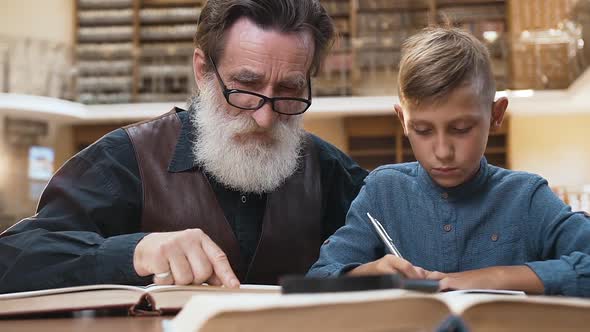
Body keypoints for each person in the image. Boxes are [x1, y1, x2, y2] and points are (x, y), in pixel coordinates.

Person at [0, 0, 368, 293]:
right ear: (203, 70)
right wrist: (136, 253)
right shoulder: (124, 160)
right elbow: (11, 259)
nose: (265, 117)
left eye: (289, 90)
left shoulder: (329, 170)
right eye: (245, 86)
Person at [307, 27, 590, 297]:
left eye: (461, 129)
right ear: (402, 121)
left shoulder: (527, 197)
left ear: (496, 115)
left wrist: (493, 278)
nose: (442, 151)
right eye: (423, 130)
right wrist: (368, 273)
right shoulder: (382, 192)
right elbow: (317, 280)